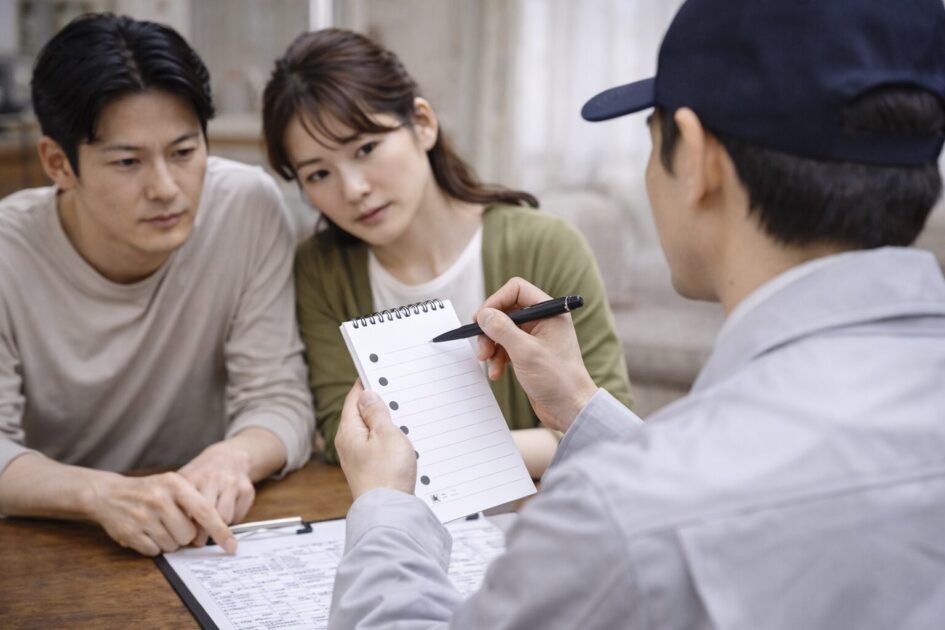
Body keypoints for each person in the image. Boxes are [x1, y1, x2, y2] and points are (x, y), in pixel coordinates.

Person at [326, 0, 945, 627]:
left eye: (652, 142)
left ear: (698, 159)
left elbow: (674, 505)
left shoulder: (616, 518)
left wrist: (383, 510)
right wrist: (578, 406)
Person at [0, 14, 315, 557]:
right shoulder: (9, 250)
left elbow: (279, 397)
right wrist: (97, 494)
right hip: (59, 539)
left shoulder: (246, 207)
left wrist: (233, 457)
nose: (167, 189)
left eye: (184, 152)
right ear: (59, 164)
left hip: (201, 533)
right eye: (127, 161)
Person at [261, 28, 631, 477]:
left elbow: (604, 427)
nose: (354, 189)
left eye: (365, 148)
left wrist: (425, 459)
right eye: (318, 175)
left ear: (422, 123)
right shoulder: (321, 270)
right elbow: (345, 438)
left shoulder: (545, 246)